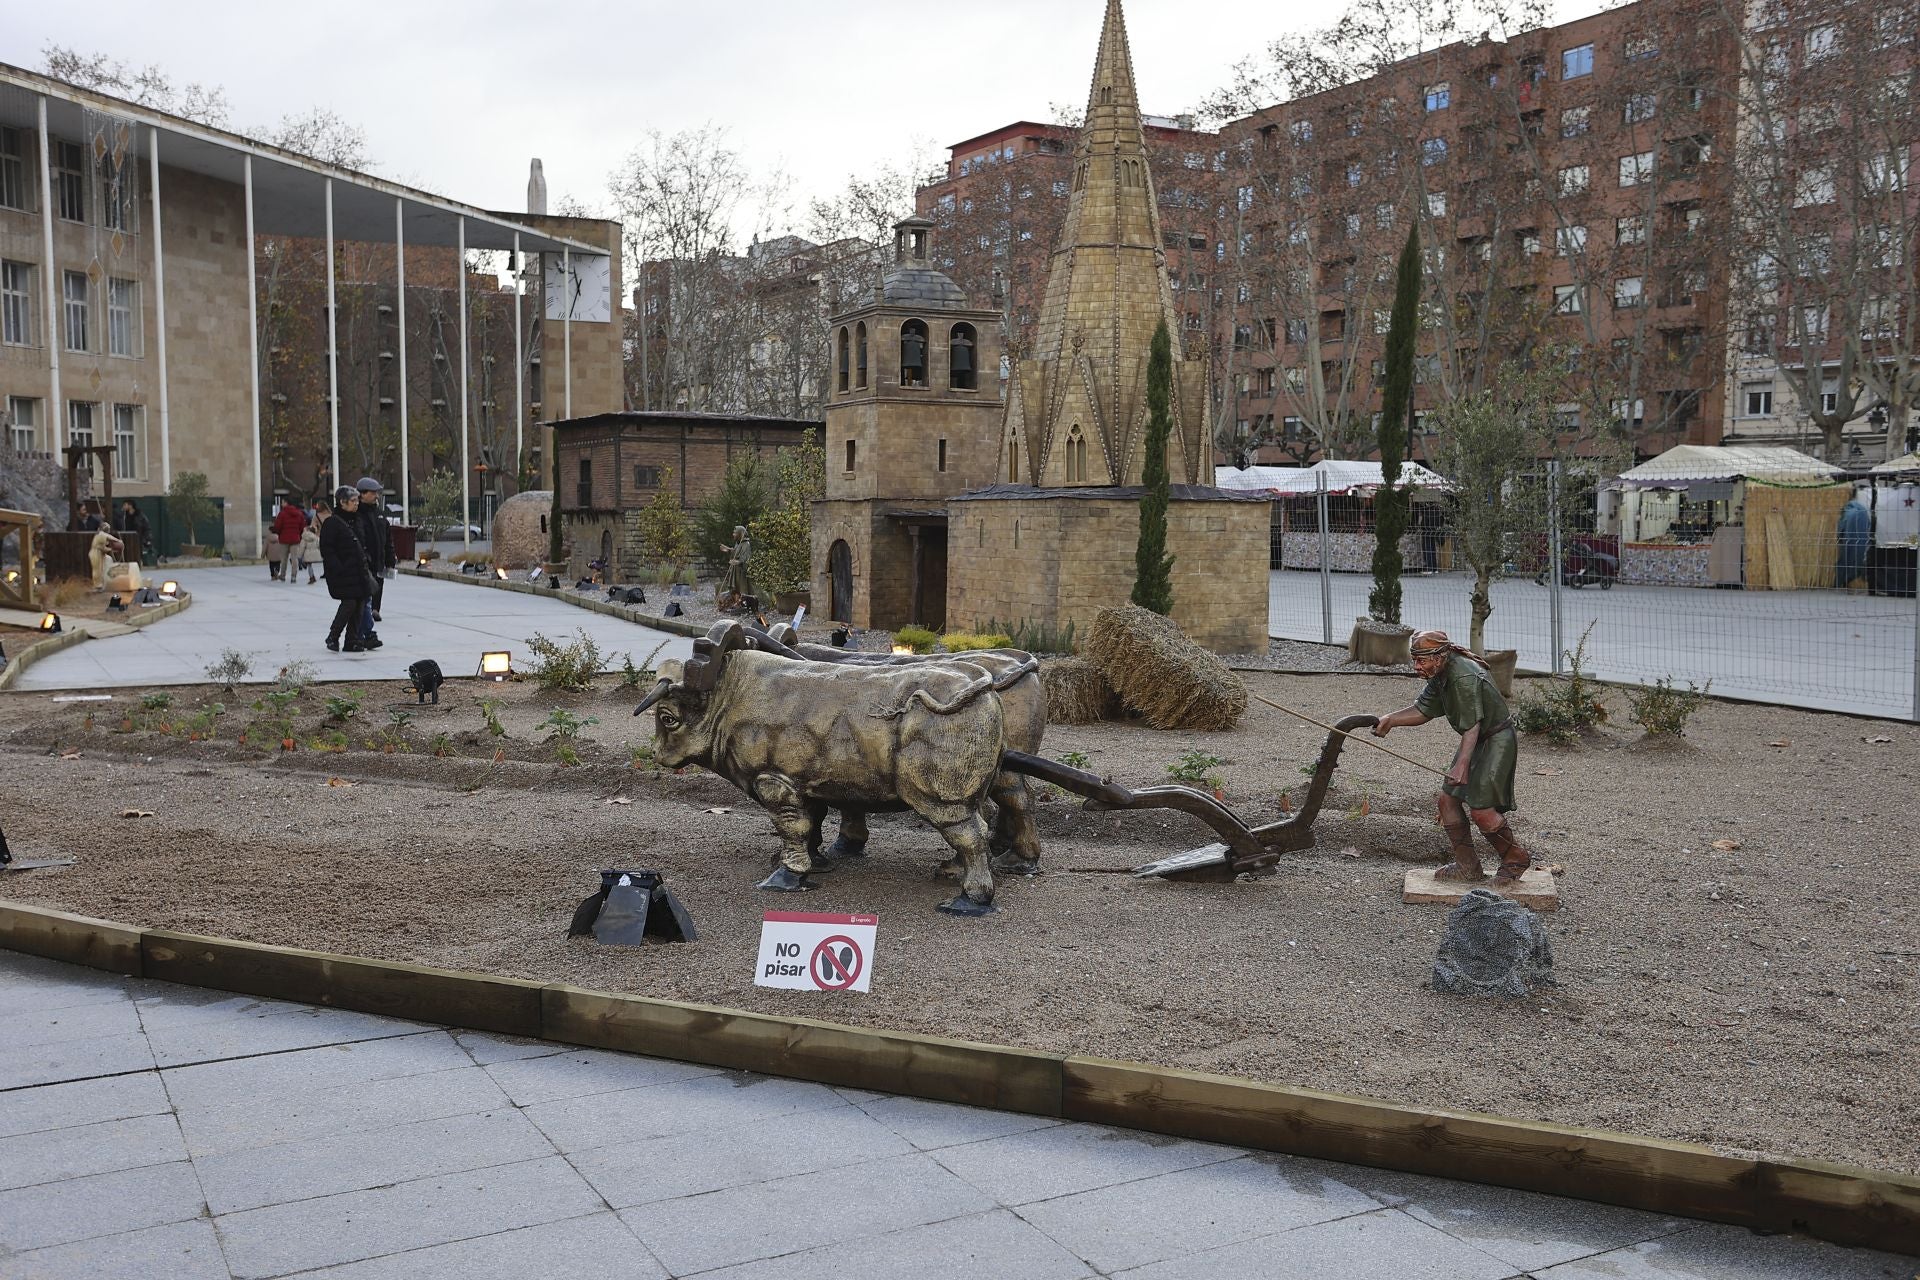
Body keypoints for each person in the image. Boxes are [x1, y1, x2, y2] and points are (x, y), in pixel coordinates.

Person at [1371, 629, 1531, 886]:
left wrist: (1462, 766)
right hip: (1477, 738)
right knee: (1447, 800)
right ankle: (1468, 866)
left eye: (1421, 660)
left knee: (1481, 809)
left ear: (1439, 656)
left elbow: (1472, 725)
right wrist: (1391, 720)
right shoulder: (1441, 671)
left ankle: (1515, 858)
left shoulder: (1463, 675)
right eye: (1415, 659)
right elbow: (1424, 710)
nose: (1416, 666)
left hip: (1495, 739)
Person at [318, 486, 372, 652]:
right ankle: (333, 636)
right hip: (343, 574)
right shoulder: (332, 522)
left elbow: (363, 543)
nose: (356, 504)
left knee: (360, 603)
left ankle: (352, 640)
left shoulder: (357, 520)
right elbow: (327, 549)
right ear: (342, 502)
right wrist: (337, 567)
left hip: (359, 571)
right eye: (353, 501)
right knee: (349, 603)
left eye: (357, 500)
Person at [353, 477, 395, 636]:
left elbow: (388, 537)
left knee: (378, 584)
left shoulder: (379, 514)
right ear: (362, 494)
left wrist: (390, 559)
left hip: (379, 559)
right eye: (373, 493)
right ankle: (366, 621)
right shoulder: (356, 514)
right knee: (365, 589)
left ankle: (375, 609)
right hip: (363, 560)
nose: (377, 496)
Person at [268, 499, 308, 581]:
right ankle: (293, 576)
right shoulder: (299, 514)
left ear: (286, 503)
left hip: (284, 539)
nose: (282, 504)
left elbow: (277, 526)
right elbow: (302, 526)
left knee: (284, 559)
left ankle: (282, 575)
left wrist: (279, 533)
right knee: (294, 558)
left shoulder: (282, 514)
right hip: (295, 539)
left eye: (282, 502)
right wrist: (298, 534)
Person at [718, 525, 753, 611]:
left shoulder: (746, 544)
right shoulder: (738, 543)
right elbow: (736, 552)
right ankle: (735, 602)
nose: (733, 534)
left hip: (741, 571)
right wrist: (728, 550)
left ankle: (742, 603)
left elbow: (747, 557)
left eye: (735, 533)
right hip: (735, 570)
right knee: (735, 588)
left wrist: (739, 562)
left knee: (741, 587)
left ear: (740, 534)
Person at [113, 500, 152, 565]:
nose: (123, 507)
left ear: (130, 506)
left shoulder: (140, 516)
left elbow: (146, 527)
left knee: (137, 557)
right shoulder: (123, 516)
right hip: (126, 540)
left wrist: (146, 539)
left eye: (125, 505)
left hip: (137, 540)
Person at [295, 503, 322, 585]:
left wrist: (299, 556)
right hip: (316, 555)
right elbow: (319, 545)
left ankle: (311, 577)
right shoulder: (316, 538)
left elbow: (302, 548)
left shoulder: (305, 538)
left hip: (307, 555)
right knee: (309, 565)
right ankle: (312, 576)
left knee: (309, 565)